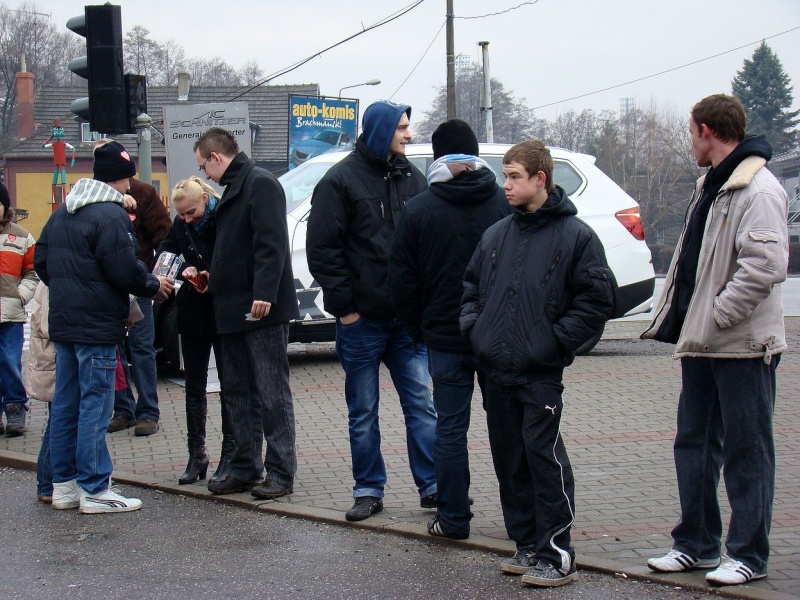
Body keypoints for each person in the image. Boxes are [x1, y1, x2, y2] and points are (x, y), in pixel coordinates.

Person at [642, 94, 789, 587]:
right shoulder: (713, 184)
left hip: (743, 346)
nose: (691, 142)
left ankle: (748, 554)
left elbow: (766, 266)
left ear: (706, 130)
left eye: (691, 133)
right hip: (703, 342)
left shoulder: (758, 189)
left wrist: (718, 314)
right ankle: (696, 544)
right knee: (695, 444)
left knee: (748, 450)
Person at [460, 140, 614, 587]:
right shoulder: (497, 234)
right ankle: (526, 543)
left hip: (540, 373)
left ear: (539, 179)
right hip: (495, 369)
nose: (504, 185)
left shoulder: (576, 237)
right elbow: (471, 288)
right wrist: (476, 331)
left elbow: (595, 301)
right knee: (510, 460)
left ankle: (557, 553)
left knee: (544, 459)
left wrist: (552, 343)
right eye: (504, 176)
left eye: (513, 176)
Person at [307, 100, 437, 522]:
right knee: (363, 412)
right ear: (381, 130)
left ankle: (433, 487)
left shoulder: (410, 178)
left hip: (405, 323)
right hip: (361, 323)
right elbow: (323, 252)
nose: (409, 135)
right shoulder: (339, 181)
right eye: (401, 128)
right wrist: (345, 309)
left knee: (421, 405)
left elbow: (423, 244)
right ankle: (368, 490)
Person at [34, 140, 173, 514]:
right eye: (128, 179)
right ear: (121, 179)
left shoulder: (64, 212)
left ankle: (64, 486)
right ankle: (95, 488)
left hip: (64, 324)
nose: (130, 187)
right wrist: (152, 285)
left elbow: (41, 260)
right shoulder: (110, 216)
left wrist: (70, 287)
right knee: (96, 406)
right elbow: (124, 269)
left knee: (66, 405)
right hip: (97, 328)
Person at [389, 119, 511, 539]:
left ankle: (454, 519)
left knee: (449, 429)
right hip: (497, 338)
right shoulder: (503, 204)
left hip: (443, 337)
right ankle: (521, 522)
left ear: (438, 158)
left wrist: (418, 329)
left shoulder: (420, 209)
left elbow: (401, 282)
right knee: (506, 427)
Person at [194, 128, 298, 499]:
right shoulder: (237, 187)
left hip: (259, 310)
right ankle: (245, 467)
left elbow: (271, 244)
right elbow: (235, 247)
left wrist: (265, 293)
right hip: (232, 307)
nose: (204, 174)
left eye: (203, 165)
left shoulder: (260, 184)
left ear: (215, 157)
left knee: (271, 393)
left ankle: (281, 472)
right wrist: (212, 277)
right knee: (237, 391)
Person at [157, 177, 236, 485]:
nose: (187, 219)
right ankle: (197, 453)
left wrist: (211, 272)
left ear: (205, 198)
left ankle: (230, 452)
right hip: (192, 310)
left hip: (221, 309)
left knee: (229, 383)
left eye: (191, 212)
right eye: (182, 214)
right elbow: (166, 253)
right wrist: (182, 270)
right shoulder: (180, 223)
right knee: (194, 383)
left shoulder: (223, 217)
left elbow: (234, 257)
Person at [97, 139, 171, 438]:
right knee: (115, 352)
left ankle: (148, 412)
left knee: (142, 349)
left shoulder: (143, 193)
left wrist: (155, 277)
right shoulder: (95, 198)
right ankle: (123, 409)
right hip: (108, 288)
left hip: (138, 286)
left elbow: (164, 237)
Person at [0, 181, 38, 437]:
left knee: (9, 361)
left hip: (10, 314)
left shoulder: (22, 236)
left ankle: (15, 407)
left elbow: (32, 273)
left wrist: (20, 296)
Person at [24, 281, 55, 502]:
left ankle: (48, 483)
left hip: (50, 360)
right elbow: (48, 326)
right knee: (59, 422)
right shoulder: (50, 283)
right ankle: (46, 483)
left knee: (58, 421)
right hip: (53, 361)